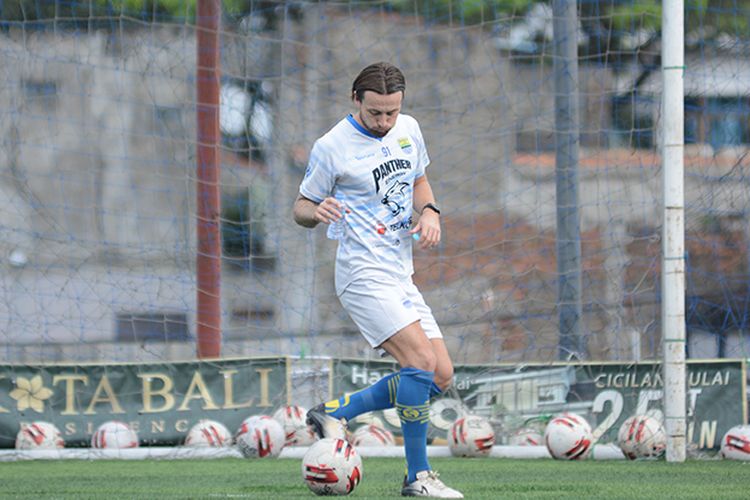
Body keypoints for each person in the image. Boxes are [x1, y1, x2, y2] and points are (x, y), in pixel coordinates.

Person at [292, 62, 462, 499]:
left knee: (440, 374)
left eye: (391, 112)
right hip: (362, 274)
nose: (385, 123)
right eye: (375, 114)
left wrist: (430, 212)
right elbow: (301, 207)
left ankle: (334, 411)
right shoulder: (332, 146)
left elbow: (419, 180)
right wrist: (318, 211)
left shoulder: (409, 129)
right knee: (419, 363)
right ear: (356, 102)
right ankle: (417, 478)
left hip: (400, 273)